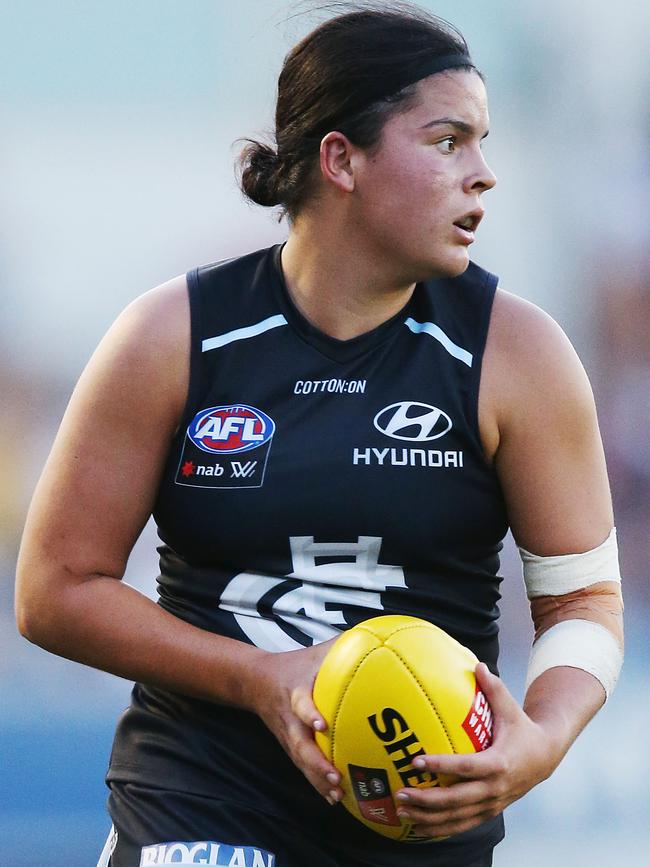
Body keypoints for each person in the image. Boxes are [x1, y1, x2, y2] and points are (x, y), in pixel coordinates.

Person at [15, 4, 623, 866]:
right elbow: (53, 589)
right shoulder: (171, 338)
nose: (483, 174)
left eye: (484, 143)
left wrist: (544, 738)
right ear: (342, 159)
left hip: (425, 816)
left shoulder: (520, 354)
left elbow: (585, 603)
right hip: (202, 797)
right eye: (449, 141)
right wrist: (261, 679)